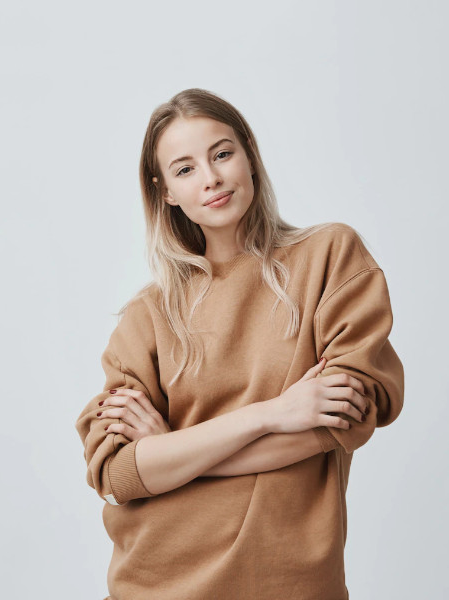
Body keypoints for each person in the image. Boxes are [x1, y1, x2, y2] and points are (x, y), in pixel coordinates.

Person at [75, 88, 404, 600]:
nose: (211, 179)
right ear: (165, 192)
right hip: (154, 582)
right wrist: (275, 413)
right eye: (185, 170)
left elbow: (344, 418)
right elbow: (119, 474)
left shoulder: (329, 258)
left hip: (290, 581)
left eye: (222, 154)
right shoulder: (148, 316)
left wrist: (171, 452)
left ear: (249, 153)